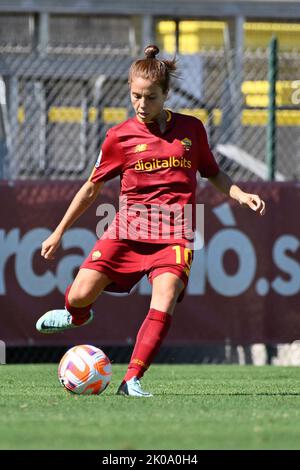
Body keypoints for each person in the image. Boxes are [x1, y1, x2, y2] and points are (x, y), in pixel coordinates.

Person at [36, 45, 266, 397]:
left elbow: (214, 174)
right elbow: (91, 188)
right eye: (135, 97)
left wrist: (240, 194)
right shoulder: (120, 137)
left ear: (166, 94)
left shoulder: (191, 130)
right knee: (80, 295)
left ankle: (132, 380)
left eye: (151, 97)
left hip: (175, 233)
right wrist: (58, 232)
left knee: (167, 292)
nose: (142, 105)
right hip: (128, 230)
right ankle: (77, 315)